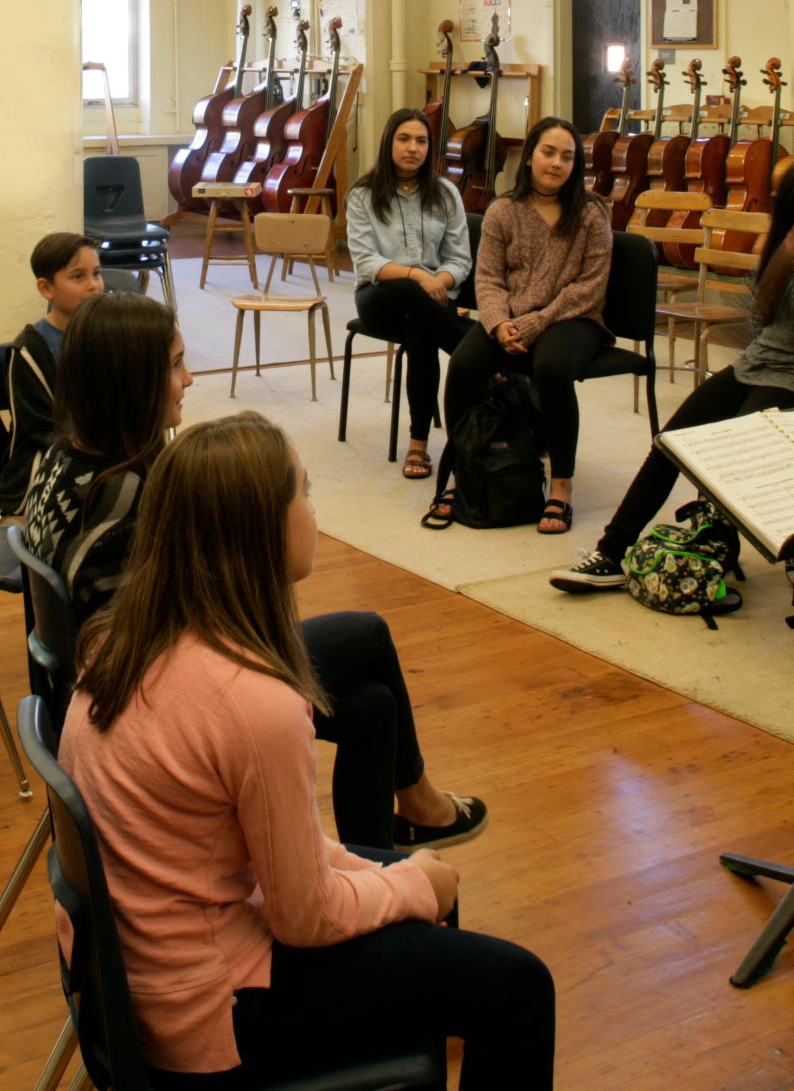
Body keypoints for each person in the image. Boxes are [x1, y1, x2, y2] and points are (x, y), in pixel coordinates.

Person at [61, 413, 555, 1088]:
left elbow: (271, 851)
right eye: (305, 492)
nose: (315, 512)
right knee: (519, 985)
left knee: (421, 889)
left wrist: (380, 874)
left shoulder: (117, 638)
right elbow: (304, 917)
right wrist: (409, 884)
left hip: (143, 980)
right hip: (205, 1016)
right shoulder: (253, 702)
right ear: (260, 530)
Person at [23, 290, 486, 851]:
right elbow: (168, 643)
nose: (190, 379)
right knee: (368, 634)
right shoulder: (123, 496)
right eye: (174, 365)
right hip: (147, 705)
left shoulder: (63, 455)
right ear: (130, 379)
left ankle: (384, 847)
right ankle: (416, 807)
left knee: (372, 705)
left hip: (101, 692)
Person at [552, 156, 794, 592]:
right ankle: (611, 552)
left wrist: (792, 262)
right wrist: (784, 256)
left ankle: (715, 547)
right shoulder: (786, 250)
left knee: (731, 456)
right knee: (669, 445)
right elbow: (760, 319)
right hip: (756, 365)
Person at [428, 117, 611, 536]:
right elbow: (488, 278)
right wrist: (496, 323)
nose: (557, 163)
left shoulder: (591, 213)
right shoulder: (503, 210)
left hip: (573, 317)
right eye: (549, 152)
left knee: (552, 367)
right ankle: (463, 473)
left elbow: (590, 286)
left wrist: (535, 323)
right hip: (508, 316)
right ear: (529, 156)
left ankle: (561, 487)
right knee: (464, 364)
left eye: (568, 156)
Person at [345, 106, 474, 481]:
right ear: (389, 143)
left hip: (432, 302)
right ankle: (481, 361)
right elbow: (367, 262)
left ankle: (418, 444)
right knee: (407, 290)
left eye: (421, 141)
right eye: (404, 139)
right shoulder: (363, 194)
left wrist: (442, 280)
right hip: (379, 298)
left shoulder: (446, 193)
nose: (412, 148)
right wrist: (420, 276)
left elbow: (460, 259)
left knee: (422, 332)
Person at [0, 229, 107, 513]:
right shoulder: (29, 350)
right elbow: (38, 428)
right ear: (46, 289)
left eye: (96, 273)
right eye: (78, 276)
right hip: (50, 458)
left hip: (103, 449)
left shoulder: (109, 335)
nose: (94, 285)